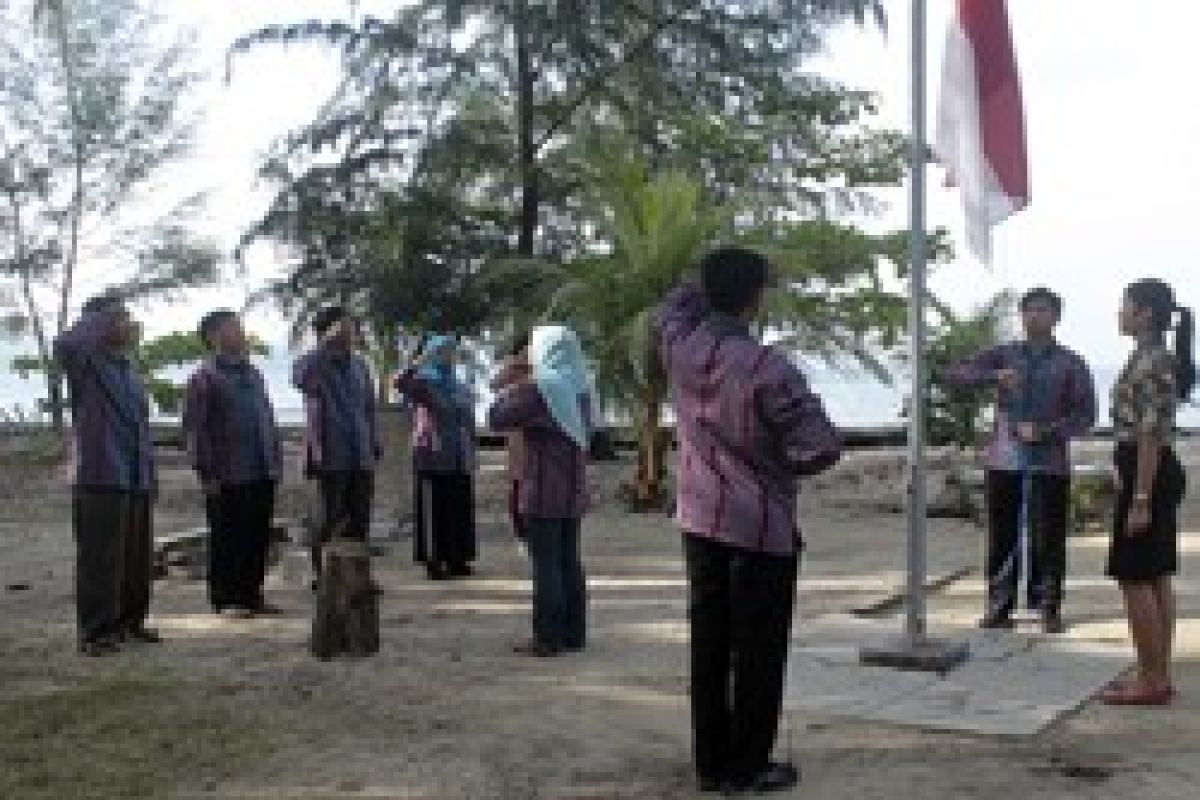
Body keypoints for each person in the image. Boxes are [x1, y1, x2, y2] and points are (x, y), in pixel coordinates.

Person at [654, 248, 841, 795]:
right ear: (756, 298)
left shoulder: (680, 348)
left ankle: (712, 763)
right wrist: (778, 467)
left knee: (709, 644)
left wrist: (700, 280)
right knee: (758, 651)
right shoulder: (767, 368)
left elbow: (670, 308)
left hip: (699, 517)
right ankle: (749, 764)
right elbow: (821, 447)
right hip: (759, 526)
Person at [946, 287, 1097, 633]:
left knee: (1049, 536)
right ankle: (999, 606)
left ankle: (1048, 606)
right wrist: (992, 377)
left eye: (1043, 310)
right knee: (1002, 535)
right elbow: (956, 374)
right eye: (1029, 310)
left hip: (1049, 461)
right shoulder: (1003, 355)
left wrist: (1046, 431)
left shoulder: (1070, 362)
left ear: (1056, 318)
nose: (1035, 316)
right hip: (1004, 459)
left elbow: (1085, 414)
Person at [1098, 279, 1193, 706]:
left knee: (1135, 577)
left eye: (1126, 306)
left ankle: (1151, 679)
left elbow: (1150, 433)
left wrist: (1140, 497)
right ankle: (1154, 672)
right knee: (1155, 576)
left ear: (1145, 314)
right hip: (1147, 469)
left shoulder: (1152, 361)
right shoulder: (1148, 356)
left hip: (1147, 471)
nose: (1119, 312)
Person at [54, 294, 160, 656]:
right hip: (99, 472)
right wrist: (103, 319)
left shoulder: (128, 369)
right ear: (97, 323)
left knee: (136, 556)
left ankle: (130, 622)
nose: (126, 324)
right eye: (117, 318)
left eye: (126, 317)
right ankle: (96, 632)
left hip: (134, 473)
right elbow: (66, 341)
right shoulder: (85, 361)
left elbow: (141, 426)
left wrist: (150, 474)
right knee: (100, 558)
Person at [488, 325, 591, 657]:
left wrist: (509, 382)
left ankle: (547, 636)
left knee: (545, 564)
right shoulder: (581, 388)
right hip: (573, 487)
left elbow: (497, 418)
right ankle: (574, 633)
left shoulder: (541, 390)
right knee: (569, 561)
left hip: (542, 486)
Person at [183, 310, 283, 618]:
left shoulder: (253, 374)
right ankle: (226, 598)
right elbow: (196, 429)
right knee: (228, 537)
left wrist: (275, 458)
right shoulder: (204, 377)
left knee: (256, 534)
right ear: (214, 337)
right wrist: (205, 471)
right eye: (232, 328)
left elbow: (266, 417)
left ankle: (252, 594)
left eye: (240, 327)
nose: (240, 333)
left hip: (260, 467)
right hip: (227, 471)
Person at [293, 307, 381, 585]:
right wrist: (324, 345)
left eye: (352, 327)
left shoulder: (360, 366)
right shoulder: (313, 363)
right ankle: (326, 578)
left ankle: (358, 577)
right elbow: (301, 379)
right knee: (328, 519)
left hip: (360, 452)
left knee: (359, 519)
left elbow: (368, 407)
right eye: (345, 327)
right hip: (330, 454)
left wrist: (373, 441)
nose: (351, 332)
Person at [395, 334, 478, 580]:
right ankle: (434, 559)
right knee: (435, 508)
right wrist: (419, 362)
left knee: (458, 505)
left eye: (451, 352)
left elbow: (467, 420)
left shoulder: (458, 385)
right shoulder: (423, 383)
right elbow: (400, 382)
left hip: (458, 456)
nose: (449, 357)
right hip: (432, 455)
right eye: (442, 352)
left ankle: (457, 558)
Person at [492, 332, 532, 543]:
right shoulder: (513, 369)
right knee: (517, 479)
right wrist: (514, 367)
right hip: (517, 433)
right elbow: (495, 384)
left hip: (538, 432)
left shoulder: (543, 369)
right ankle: (520, 530)